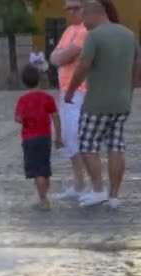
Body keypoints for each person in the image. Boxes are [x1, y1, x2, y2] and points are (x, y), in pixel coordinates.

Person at [64, 0, 139, 208]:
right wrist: (130, 90)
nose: (83, 22)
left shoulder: (94, 36)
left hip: (97, 102)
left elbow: (83, 66)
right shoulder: (129, 35)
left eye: (84, 16)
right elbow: (137, 65)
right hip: (122, 101)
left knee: (88, 145)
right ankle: (114, 196)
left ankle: (98, 190)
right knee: (116, 146)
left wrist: (70, 91)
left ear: (94, 14)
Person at [49, 0, 89, 201]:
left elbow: (65, 55)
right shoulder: (68, 31)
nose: (71, 12)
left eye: (75, 8)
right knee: (68, 137)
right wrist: (60, 56)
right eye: (68, 9)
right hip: (65, 91)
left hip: (79, 92)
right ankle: (79, 183)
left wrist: (60, 56)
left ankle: (86, 184)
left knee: (75, 136)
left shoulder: (85, 30)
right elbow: (55, 56)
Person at [15, 65, 63, 210]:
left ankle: (43, 199)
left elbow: (18, 119)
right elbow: (55, 117)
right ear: (39, 80)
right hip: (45, 138)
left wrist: (26, 117)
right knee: (44, 168)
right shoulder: (47, 98)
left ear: (24, 82)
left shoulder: (23, 100)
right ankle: (44, 195)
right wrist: (58, 137)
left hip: (30, 139)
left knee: (37, 171)